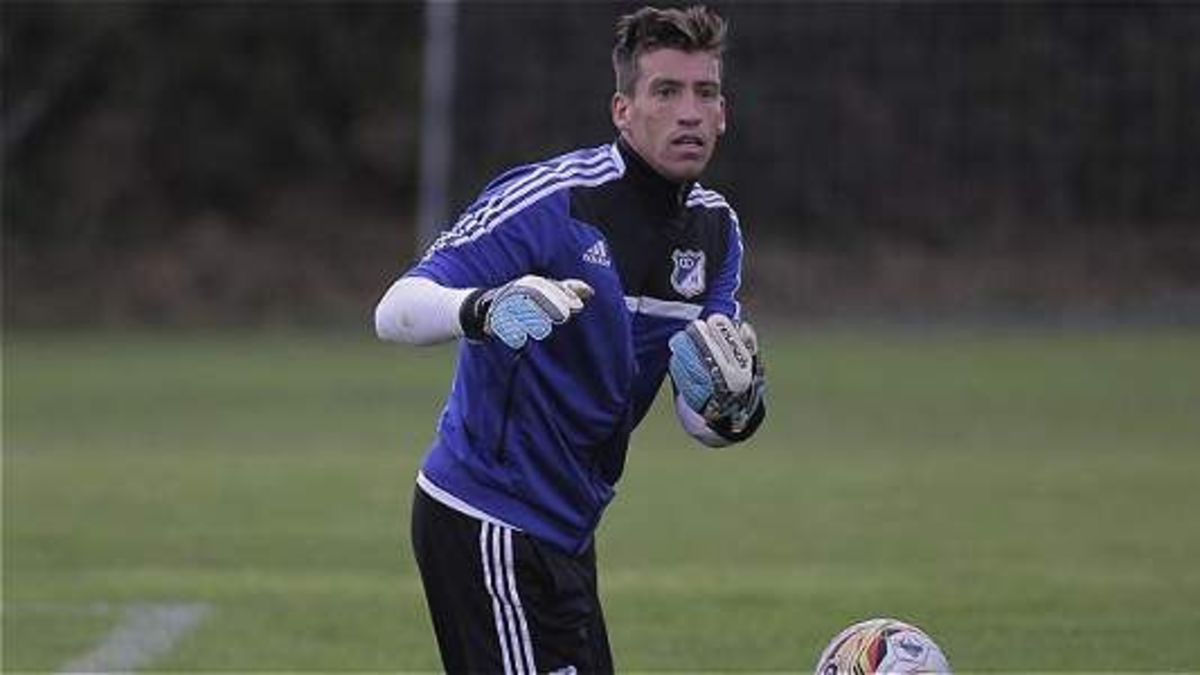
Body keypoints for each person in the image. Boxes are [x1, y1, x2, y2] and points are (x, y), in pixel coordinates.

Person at [375, 5, 766, 673]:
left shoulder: (716, 232)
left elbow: (698, 411)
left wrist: (737, 405)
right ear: (622, 110)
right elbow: (394, 309)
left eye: (705, 93)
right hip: (486, 518)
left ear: (723, 113)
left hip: (568, 530)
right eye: (665, 92)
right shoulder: (550, 202)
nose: (689, 113)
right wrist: (484, 308)